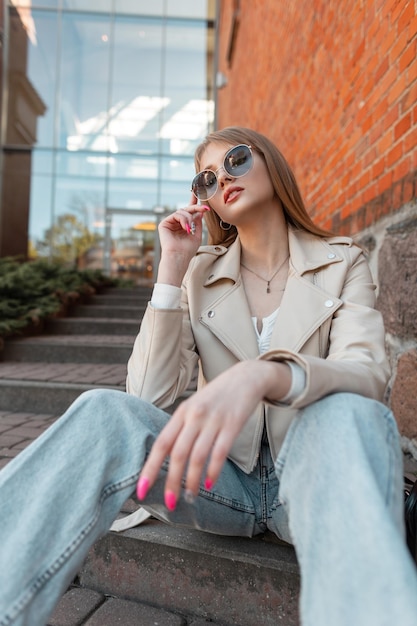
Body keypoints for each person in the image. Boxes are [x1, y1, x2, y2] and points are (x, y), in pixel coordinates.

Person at [1, 127, 416, 626]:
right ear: (208, 204)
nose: (224, 179)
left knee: (352, 412)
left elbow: (365, 373)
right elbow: (149, 397)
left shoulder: (342, 260)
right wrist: (172, 272)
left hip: (311, 476)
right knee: (103, 411)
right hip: (221, 481)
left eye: (236, 160)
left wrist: (267, 375)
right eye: (207, 179)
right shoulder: (200, 274)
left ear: (271, 163)